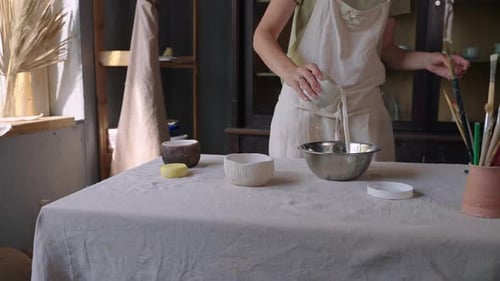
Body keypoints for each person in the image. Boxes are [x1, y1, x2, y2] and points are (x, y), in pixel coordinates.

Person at [253, 0, 470, 161]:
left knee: (369, 213)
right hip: (304, 113)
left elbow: (384, 50)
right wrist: (290, 71)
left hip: (365, 118)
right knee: (296, 209)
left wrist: (427, 60)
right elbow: (263, 34)